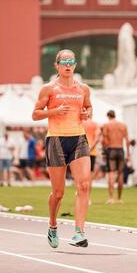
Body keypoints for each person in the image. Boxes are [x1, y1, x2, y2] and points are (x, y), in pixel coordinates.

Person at [32, 49, 92, 248]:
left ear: (75, 65)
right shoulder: (49, 89)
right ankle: (52, 225)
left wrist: (86, 114)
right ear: (57, 66)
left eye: (71, 61)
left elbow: (89, 107)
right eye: (64, 61)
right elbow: (35, 114)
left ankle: (79, 232)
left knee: (84, 185)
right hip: (56, 140)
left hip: (78, 138)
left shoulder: (83, 89)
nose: (68, 65)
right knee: (58, 193)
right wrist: (54, 111)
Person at [102, 110, 130, 204]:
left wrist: (104, 151)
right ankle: (119, 198)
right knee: (121, 174)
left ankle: (111, 198)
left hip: (111, 150)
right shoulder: (123, 125)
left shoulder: (107, 125)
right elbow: (127, 140)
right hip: (120, 150)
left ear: (108, 116)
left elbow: (105, 140)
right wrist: (129, 154)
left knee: (111, 173)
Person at [82, 117, 101, 204]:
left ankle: (81, 196)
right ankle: (87, 198)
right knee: (89, 177)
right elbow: (97, 139)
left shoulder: (80, 123)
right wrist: (90, 148)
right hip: (91, 152)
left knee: (80, 176)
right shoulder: (95, 124)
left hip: (80, 151)